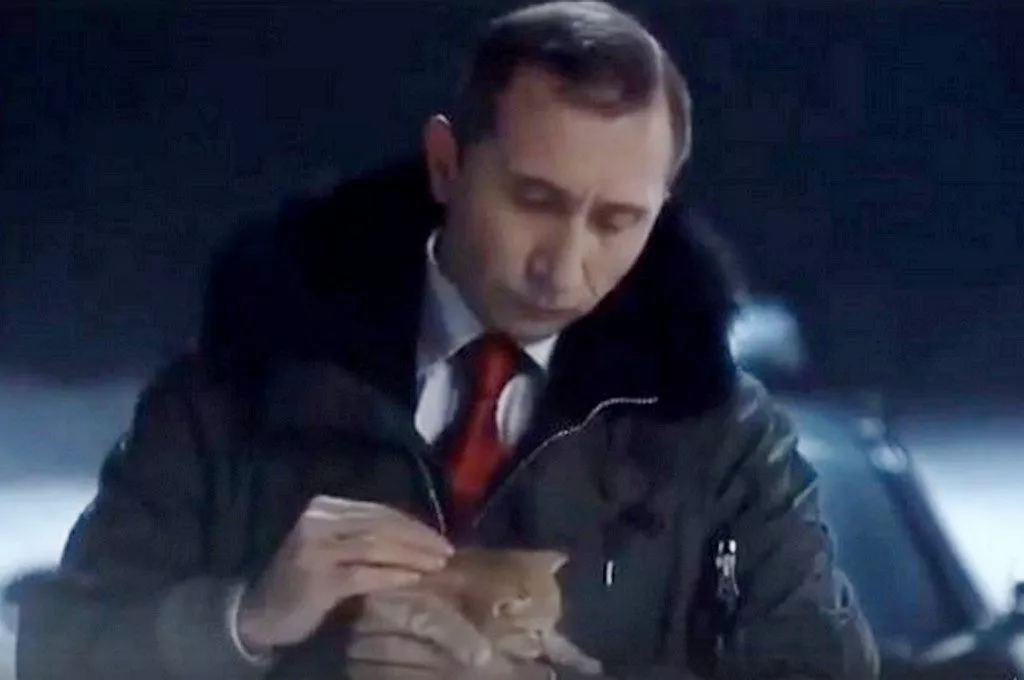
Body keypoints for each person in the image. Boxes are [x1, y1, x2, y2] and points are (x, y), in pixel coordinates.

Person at [13, 2, 878, 679]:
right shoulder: (237, 391)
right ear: (447, 163)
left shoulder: (720, 443)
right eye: (534, 200)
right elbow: (58, 650)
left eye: (617, 221)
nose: (563, 266)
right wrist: (247, 621)